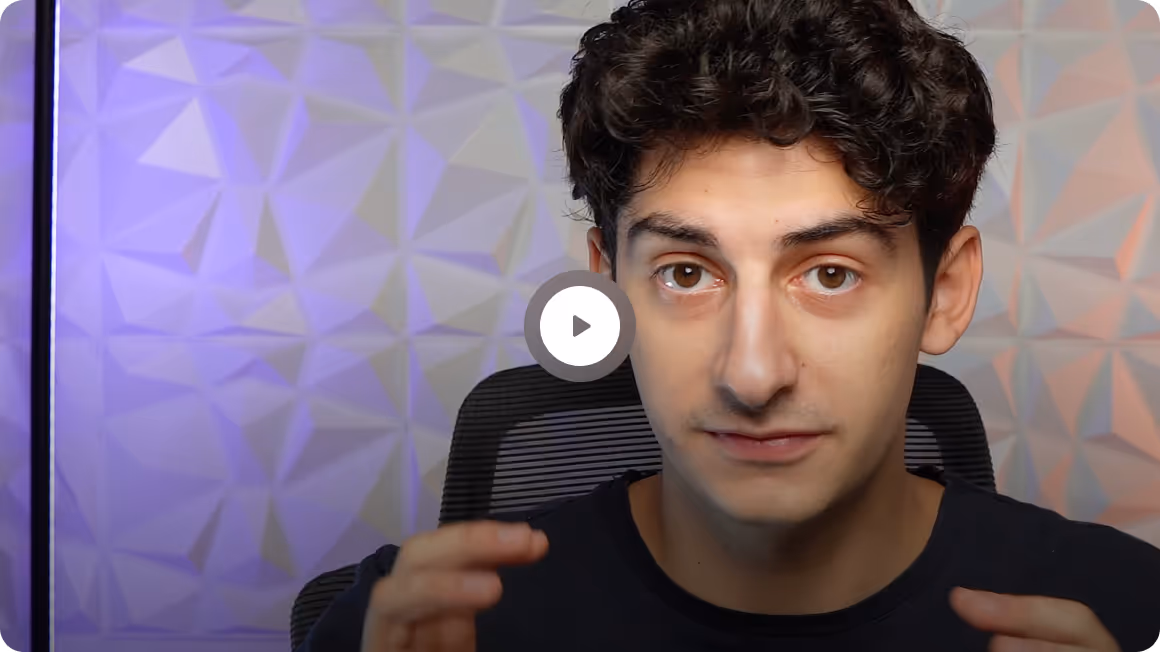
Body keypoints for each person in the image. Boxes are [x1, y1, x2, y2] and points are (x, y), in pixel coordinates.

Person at [297, 1, 1160, 650]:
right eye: (686, 274)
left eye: (829, 274)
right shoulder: (410, 624)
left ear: (945, 292)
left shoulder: (1128, 610)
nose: (752, 374)